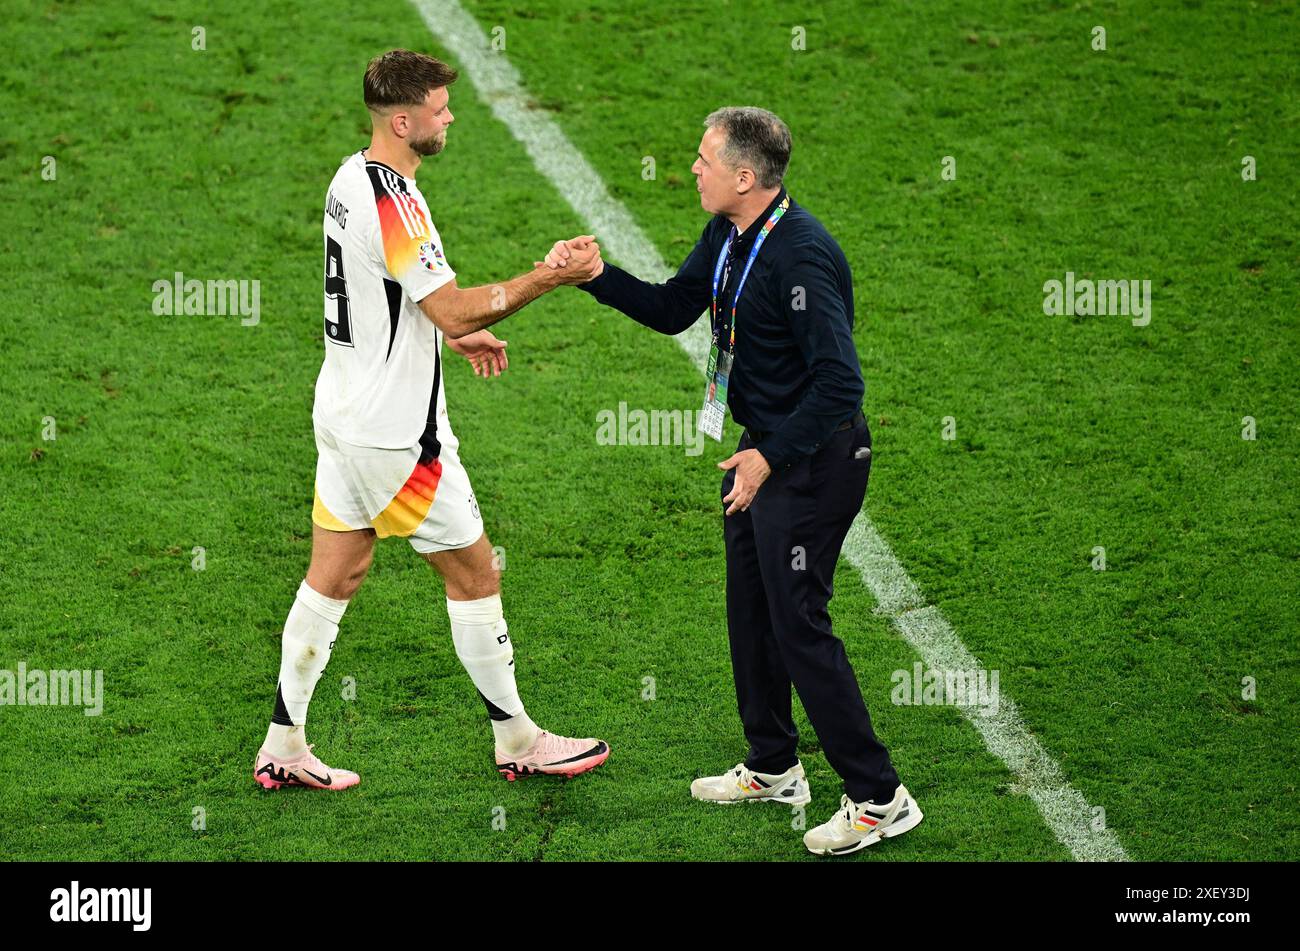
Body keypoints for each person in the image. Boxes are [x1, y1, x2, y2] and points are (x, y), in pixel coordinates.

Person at [542, 107, 922, 855]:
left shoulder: (800, 257)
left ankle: (880, 795)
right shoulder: (732, 230)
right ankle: (775, 764)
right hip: (766, 450)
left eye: (704, 159)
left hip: (811, 461)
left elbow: (841, 385)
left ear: (745, 177)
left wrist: (767, 455)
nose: (693, 168)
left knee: (799, 623)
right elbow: (676, 307)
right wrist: (597, 277)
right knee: (751, 608)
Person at [254, 49, 607, 792]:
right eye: (441, 110)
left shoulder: (350, 178)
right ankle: (519, 739)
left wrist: (444, 332)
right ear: (405, 120)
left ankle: (283, 744)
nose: (451, 118)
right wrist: (553, 276)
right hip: (396, 437)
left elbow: (383, 290)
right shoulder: (398, 202)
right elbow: (446, 301)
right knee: (476, 573)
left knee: (335, 575)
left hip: (342, 416)